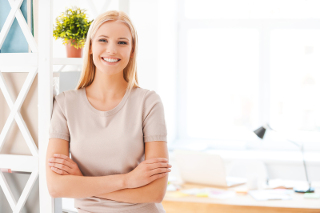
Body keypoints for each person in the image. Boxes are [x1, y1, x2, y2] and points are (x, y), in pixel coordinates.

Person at [46, 10, 171, 213]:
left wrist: (82, 184)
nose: (112, 50)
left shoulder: (148, 102)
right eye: (103, 40)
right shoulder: (65, 104)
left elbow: (155, 192)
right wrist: (128, 180)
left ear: (132, 51)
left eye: (122, 42)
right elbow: (56, 186)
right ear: (90, 47)